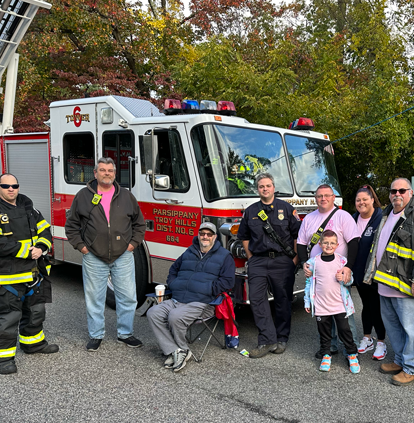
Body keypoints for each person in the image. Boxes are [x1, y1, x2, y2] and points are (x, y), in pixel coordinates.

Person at [0, 174, 58, 374]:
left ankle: (33, 344)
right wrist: (27, 251)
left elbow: (46, 231)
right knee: (8, 316)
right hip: (7, 275)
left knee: (36, 312)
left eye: (14, 185)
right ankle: (0, 360)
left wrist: (41, 247)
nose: (11, 189)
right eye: (6, 186)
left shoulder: (31, 210)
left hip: (33, 273)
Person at [363, 178, 414, 386]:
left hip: (407, 285)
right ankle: (399, 360)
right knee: (394, 327)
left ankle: (412, 367)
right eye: (393, 190)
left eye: (402, 190)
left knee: (411, 329)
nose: (397, 194)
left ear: (410, 192)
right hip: (385, 283)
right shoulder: (387, 214)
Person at [66, 157, 146, 351]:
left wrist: (132, 246)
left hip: (123, 256)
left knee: (128, 297)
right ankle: (96, 335)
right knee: (95, 298)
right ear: (95, 173)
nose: (107, 173)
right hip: (94, 256)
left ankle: (125, 333)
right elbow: (71, 226)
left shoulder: (126, 196)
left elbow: (139, 224)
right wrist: (83, 248)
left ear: (115, 173)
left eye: (110, 170)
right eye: (102, 170)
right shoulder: (83, 196)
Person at [147, 223, 235, 372]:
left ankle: (181, 348)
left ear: (214, 237)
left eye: (209, 234)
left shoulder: (224, 256)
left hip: (202, 303)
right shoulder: (189, 251)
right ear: (198, 235)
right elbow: (173, 270)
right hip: (177, 298)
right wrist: (174, 284)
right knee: (153, 312)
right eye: (202, 233)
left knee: (175, 317)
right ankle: (176, 350)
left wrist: (208, 289)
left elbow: (228, 282)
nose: (205, 237)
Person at [236, 173, 300, 358]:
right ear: (258, 189)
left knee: (282, 300)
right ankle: (266, 339)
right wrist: (250, 258)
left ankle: (282, 338)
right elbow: (244, 237)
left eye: (268, 185)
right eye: (261, 186)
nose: (265, 189)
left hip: (282, 261)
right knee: (256, 299)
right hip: (258, 261)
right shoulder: (250, 211)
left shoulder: (287, 209)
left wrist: (294, 259)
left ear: (273, 187)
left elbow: (297, 235)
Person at [298, 184, 361, 358]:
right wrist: (304, 262)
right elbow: (301, 243)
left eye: (327, 195)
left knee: (343, 312)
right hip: (318, 274)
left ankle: (352, 347)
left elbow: (354, 242)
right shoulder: (309, 219)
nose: (323, 199)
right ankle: (329, 346)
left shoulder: (343, 216)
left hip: (338, 273)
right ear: (315, 198)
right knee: (324, 312)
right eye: (319, 196)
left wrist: (349, 267)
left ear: (334, 198)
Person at [304, 231, 360, 373]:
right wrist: (306, 302)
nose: (329, 245)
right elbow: (308, 283)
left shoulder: (342, 261)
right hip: (321, 305)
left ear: (337, 245)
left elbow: (351, 280)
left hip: (339, 304)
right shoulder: (313, 262)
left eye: (332, 243)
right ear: (320, 244)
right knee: (324, 332)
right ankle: (326, 355)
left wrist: (345, 279)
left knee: (345, 330)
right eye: (326, 243)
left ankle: (352, 354)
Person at [352, 185, 386, 360]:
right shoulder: (353, 218)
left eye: (365, 199)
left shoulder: (382, 218)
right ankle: (367, 338)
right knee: (366, 304)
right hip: (358, 273)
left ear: (373, 199)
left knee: (377, 306)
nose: (361, 202)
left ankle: (381, 341)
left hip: (375, 273)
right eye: (358, 200)